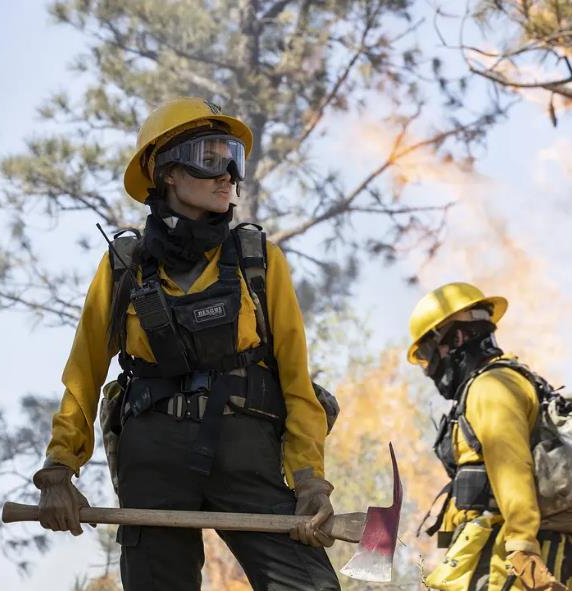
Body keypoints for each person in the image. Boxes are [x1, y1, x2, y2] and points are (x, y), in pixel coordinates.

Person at [31, 96, 341, 591]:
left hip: (248, 454)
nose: (228, 176)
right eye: (210, 158)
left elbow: (297, 382)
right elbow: (83, 374)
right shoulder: (123, 267)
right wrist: (58, 470)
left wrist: (309, 481)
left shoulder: (260, 261)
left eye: (233, 160)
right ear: (166, 172)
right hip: (152, 460)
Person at [407, 283, 572, 591]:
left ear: (457, 338)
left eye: (426, 353)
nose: (428, 369)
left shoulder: (491, 388)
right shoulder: (508, 379)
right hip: (514, 551)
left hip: (506, 557)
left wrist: (522, 547)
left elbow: (511, 466)